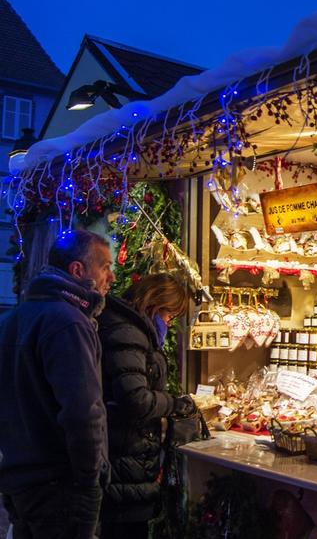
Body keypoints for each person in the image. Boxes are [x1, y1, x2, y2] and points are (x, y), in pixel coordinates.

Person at [0, 229, 115, 539]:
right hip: (59, 488)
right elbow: (82, 413)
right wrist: (91, 482)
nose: (112, 277)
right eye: (105, 266)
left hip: (20, 481)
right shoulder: (68, 322)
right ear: (78, 271)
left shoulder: (15, 318)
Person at [96, 273, 196, 539]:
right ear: (154, 304)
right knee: (125, 530)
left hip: (127, 458)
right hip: (124, 458)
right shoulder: (128, 332)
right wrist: (176, 404)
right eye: (169, 315)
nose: (169, 323)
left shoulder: (129, 327)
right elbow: (135, 399)